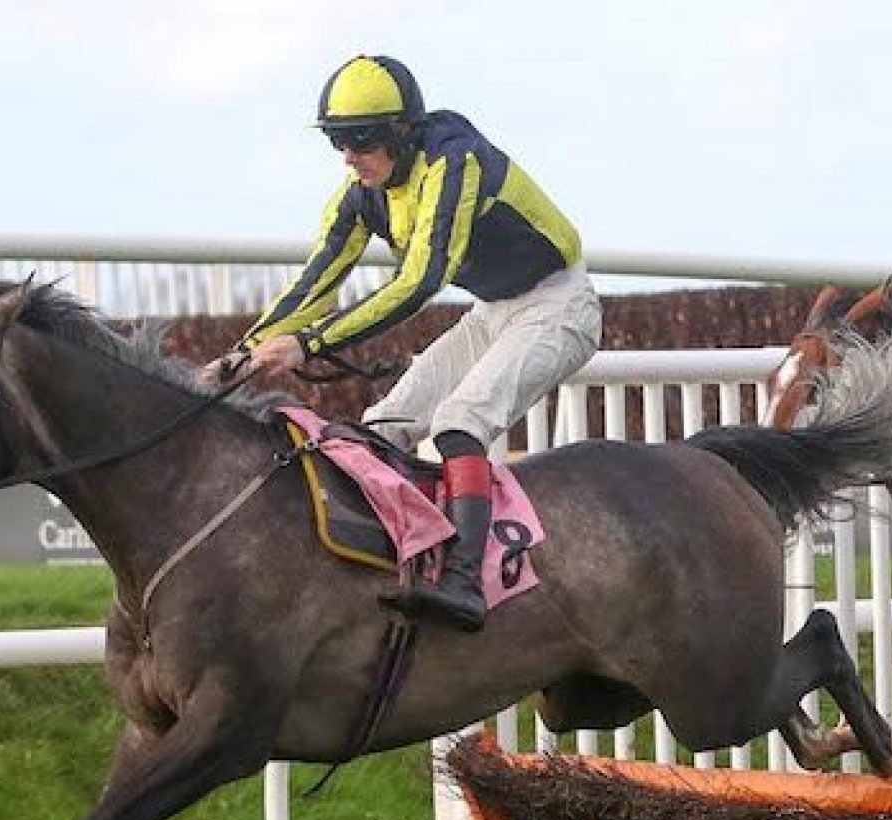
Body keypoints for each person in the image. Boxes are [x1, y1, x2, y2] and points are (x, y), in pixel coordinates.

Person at [202, 54, 602, 632]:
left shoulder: (454, 161)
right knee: (381, 426)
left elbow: (421, 280)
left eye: (359, 140)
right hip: (493, 311)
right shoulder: (361, 191)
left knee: (460, 420)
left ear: (401, 132)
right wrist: (245, 350)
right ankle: (393, 562)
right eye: (337, 141)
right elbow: (319, 276)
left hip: (560, 305)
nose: (347, 156)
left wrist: (311, 346)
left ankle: (464, 582)